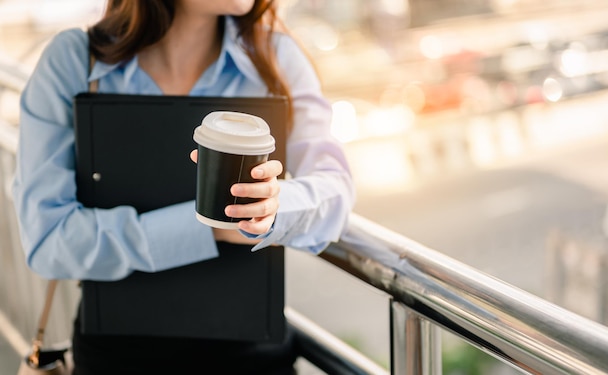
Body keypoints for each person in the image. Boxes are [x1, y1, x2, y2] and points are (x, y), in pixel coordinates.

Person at [12, 0, 355, 374]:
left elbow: (334, 190)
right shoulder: (75, 60)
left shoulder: (275, 57)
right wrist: (209, 230)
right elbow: (48, 240)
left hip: (253, 356)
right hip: (117, 358)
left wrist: (273, 207)